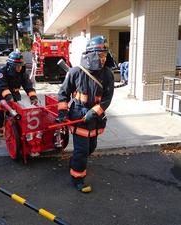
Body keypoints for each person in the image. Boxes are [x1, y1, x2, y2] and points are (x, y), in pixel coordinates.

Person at [57, 36, 114, 193]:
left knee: (91, 147)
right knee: (82, 151)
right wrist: (62, 112)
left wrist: (94, 112)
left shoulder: (107, 74)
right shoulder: (75, 72)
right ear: (91, 54)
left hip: (95, 118)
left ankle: (75, 161)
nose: (103, 59)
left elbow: (107, 99)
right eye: (100, 55)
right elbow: (63, 93)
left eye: (104, 55)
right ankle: (78, 179)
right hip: (78, 116)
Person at [0, 51, 38, 137]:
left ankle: (12, 129)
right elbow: (2, 87)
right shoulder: (1, 73)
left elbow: (28, 85)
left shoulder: (22, 73)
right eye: (17, 66)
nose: (19, 68)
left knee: (15, 115)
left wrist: (33, 96)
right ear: (11, 65)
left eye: (20, 65)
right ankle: (0, 129)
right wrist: (9, 97)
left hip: (14, 95)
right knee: (0, 117)